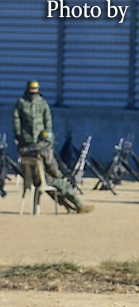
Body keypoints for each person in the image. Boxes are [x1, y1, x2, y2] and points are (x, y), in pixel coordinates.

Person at [12, 80, 93, 213]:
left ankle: (69, 207)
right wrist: (61, 175)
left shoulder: (42, 103)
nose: (33, 92)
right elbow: (52, 166)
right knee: (59, 183)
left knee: (47, 181)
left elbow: (47, 120)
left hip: (35, 148)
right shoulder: (22, 103)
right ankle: (78, 205)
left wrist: (46, 133)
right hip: (29, 141)